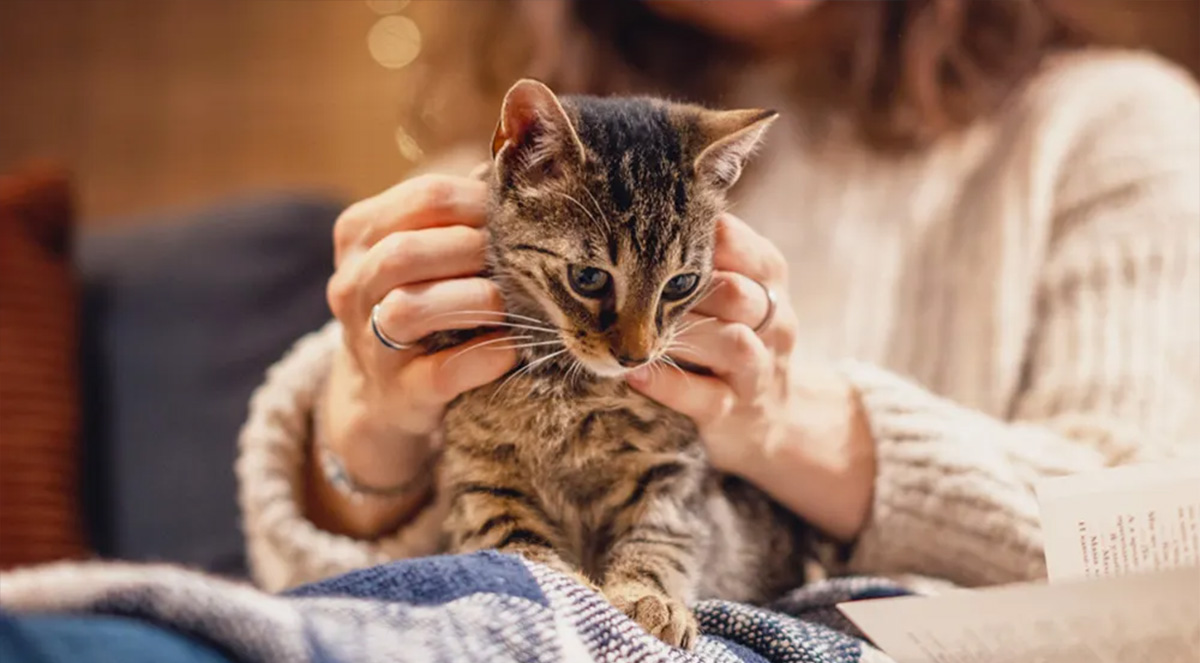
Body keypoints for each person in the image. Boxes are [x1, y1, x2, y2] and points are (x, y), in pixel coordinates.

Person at [239, 0, 1199, 591]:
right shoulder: (519, 172)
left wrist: (797, 427)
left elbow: (1152, 550)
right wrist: (366, 436)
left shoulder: (1111, 128)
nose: (631, 338)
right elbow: (309, 609)